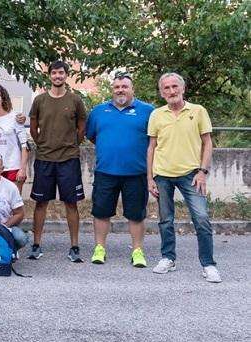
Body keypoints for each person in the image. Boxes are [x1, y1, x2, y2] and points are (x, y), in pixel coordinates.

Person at [147, 72, 221, 283]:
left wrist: (202, 172)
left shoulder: (197, 111)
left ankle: (208, 264)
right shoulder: (157, 115)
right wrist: (149, 179)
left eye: (174, 87)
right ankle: (168, 258)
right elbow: (151, 147)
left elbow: (207, 143)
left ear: (183, 88)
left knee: (202, 219)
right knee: (165, 220)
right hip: (162, 175)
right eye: (166, 88)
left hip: (191, 175)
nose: (171, 91)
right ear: (162, 93)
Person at [85, 74, 153, 267]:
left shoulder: (148, 111)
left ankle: (137, 251)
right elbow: (92, 136)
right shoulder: (98, 111)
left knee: (136, 214)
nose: (120, 90)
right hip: (106, 172)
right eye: (116, 87)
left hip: (136, 173)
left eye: (124, 86)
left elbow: (154, 141)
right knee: (101, 212)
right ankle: (100, 248)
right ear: (112, 90)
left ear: (132, 89)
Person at [27, 60, 87, 262]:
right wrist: (43, 143)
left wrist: (72, 144)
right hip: (45, 158)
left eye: (61, 73)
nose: (58, 76)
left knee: (71, 204)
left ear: (66, 75)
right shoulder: (40, 100)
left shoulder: (75, 100)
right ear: (49, 76)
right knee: (40, 203)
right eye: (54, 73)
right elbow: (33, 127)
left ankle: (75, 246)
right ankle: (36, 245)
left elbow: (81, 126)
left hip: (69, 159)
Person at [0, 84, 29, 194]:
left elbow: (25, 146)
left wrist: (23, 169)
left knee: (13, 205)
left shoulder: (15, 118)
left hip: (13, 167)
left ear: (2, 99)